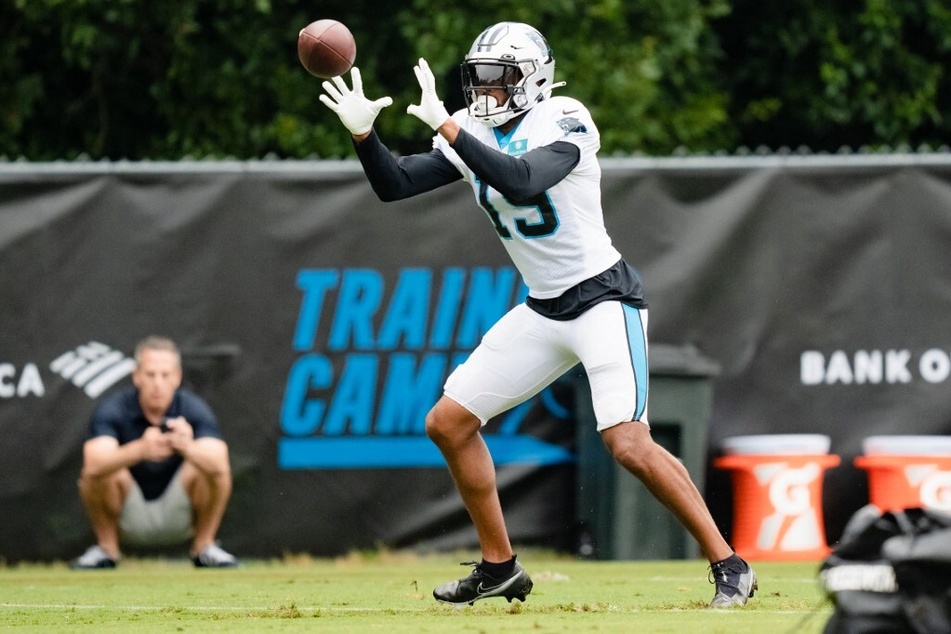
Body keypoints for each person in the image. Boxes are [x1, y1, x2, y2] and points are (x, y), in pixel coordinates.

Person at [319, 21, 756, 608]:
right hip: (544, 308)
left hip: (603, 300)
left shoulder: (564, 116)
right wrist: (364, 135)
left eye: (498, 78)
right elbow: (395, 185)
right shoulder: (472, 128)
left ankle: (729, 564)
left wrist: (450, 127)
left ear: (532, 79)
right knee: (448, 423)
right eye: (477, 78)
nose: (484, 91)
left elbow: (523, 181)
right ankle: (499, 566)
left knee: (627, 441)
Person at [71, 336, 238, 569]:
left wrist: (187, 447)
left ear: (177, 377)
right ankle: (106, 550)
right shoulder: (113, 408)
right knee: (100, 472)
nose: (158, 383)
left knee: (208, 467)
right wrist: (140, 449)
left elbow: (220, 466)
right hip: (127, 514)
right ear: (137, 376)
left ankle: (204, 547)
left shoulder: (193, 408)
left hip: (180, 513)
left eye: (165, 375)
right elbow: (92, 466)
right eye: (150, 374)